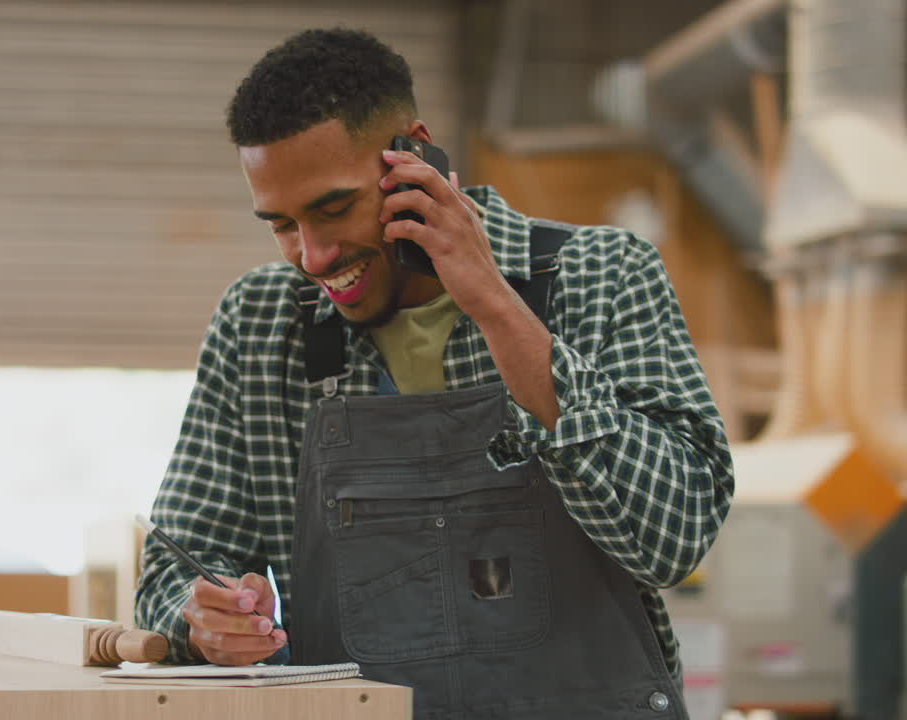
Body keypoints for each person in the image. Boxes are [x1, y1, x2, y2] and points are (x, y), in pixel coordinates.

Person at [136, 26, 733, 719]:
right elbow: (172, 575)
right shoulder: (260, 323)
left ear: (412, 153)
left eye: (333, 208)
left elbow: (674, 537)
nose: (314, 256)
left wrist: (493, 302)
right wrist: (203, 618)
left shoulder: (601, 275)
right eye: (282, 224)